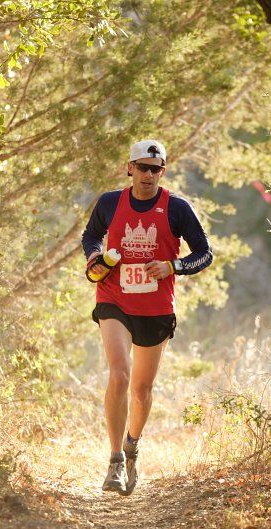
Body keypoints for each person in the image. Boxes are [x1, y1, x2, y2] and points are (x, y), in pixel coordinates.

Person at [82, 139, 213, 496]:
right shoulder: (111, 202)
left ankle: (132, 445)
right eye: (142, 167)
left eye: (155, 169)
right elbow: (91, 235)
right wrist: (96, 258)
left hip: (156, 308)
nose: (148, 175)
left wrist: (173, 266)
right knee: (120, 374)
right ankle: (113, 463)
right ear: (130, 168)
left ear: (163, 172)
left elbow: (204, 254)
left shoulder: (177, 208)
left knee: (142, 390)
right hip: (114, 299)